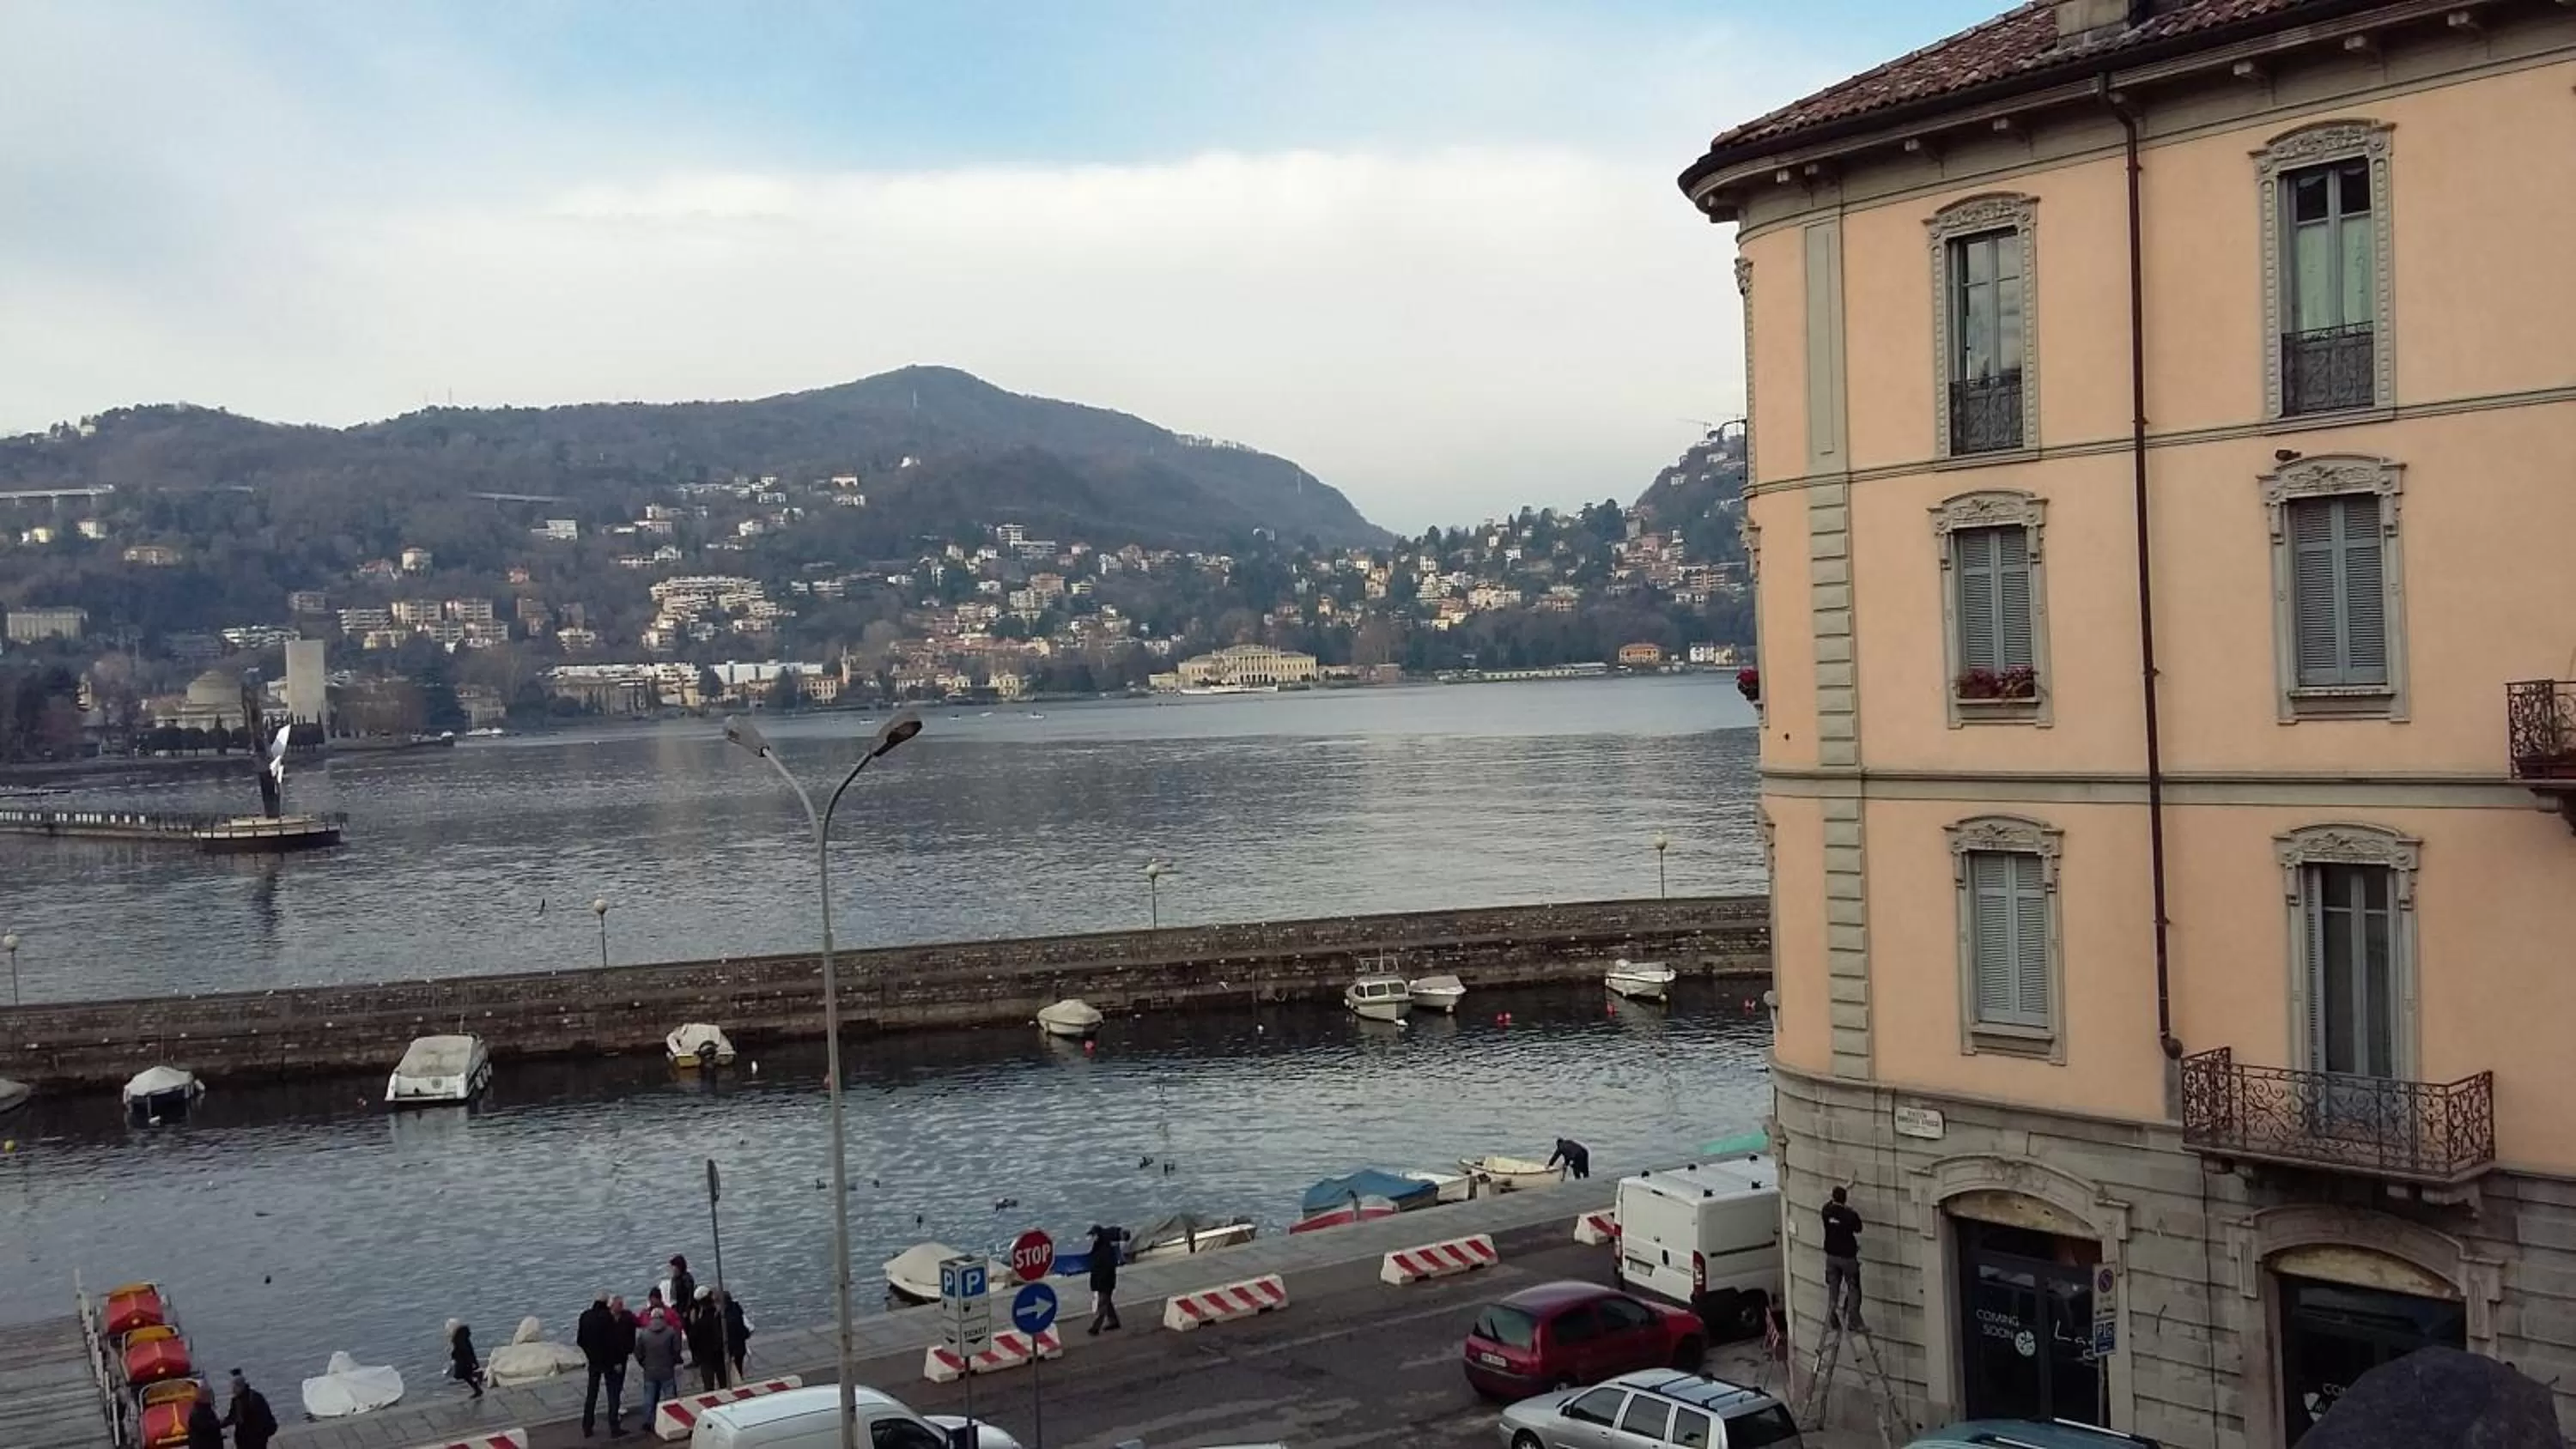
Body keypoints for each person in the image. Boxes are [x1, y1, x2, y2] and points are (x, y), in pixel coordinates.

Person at [578, 1292, 629, 1440]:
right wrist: (617, 1361)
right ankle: (614, 1426)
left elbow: (580, 1340)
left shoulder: (585, 1316)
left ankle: (587, 1426)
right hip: (609, 1361)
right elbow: (613, 1342)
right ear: (607, 1303)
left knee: (591, 1394)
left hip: (594, 1361)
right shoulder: (607, 1317)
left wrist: (590, 1354)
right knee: (613, 1393)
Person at [1821, 1185, 1865, 1331]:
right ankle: (1853, 1321)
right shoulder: (1849, 1215)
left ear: (1833, 1198)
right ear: (1845, 1199)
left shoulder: (1826, 1211)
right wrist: (1850, 1210)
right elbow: (1858, 1228)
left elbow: (1828, 1205)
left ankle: (1832, 1319)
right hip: (1847, 1258)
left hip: (1831, 1258)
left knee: (1833, 1289)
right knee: (1853, 1288)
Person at [634, 1302, 683, 1428]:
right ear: (663, 1317)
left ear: (651, 1318)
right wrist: (672, 1362)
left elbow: (638, 1352)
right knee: (669, 1396)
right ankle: (671, 1420)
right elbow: (676, 1350)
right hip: (667, 1369)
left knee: (649, 1397)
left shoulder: (644, 1334)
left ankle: (648, 1421)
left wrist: (643, 1363)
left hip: (650, 1370)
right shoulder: (670, 1332)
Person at [1085, 1222, 1127, 1335]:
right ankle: (1114, 1322)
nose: (1092, 1238)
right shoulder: (1100, 1247)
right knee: (1107, 1302)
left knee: (1102, 1304)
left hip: (1105, 1280)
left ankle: (1095, 1328)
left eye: (1093, 1235)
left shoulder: (1103, 1247)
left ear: (1097, 1234)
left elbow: (1102, 1267)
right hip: (1103, 1280)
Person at [221, 1368, 278, 1449]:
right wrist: (218, 1425)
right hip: (244, 1440)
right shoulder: (237, 1400)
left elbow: (263, 1418)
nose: (232, 1390)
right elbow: (232, 1417)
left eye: (234, 1387)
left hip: (256, 1439)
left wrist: (261, 1435)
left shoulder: (254, 1399)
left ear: (240, 1386)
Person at [683, 1288, 727, 1392]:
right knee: (724, 1383)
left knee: (708, 1385)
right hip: (719, 1354)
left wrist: (697, 1356)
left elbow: (692, 1340)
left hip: (705, 1357)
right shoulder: (719, 1318)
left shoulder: (699, 1323)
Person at [720, 1288, 753, 1382]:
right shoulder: (736, 1307)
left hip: (732, 1344)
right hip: (740, 1342)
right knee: (739, 1363)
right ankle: (740, 1376)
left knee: (733, 1365)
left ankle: (735, 1379)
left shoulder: (724, 1314)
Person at [447, 1319, 484, 1399]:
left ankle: (478, 1387)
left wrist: (455, 1355)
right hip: (465, 1358)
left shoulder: (458, 1337)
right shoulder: (462, 1335)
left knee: (465, 1374)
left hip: (463, 1359)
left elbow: (462, 1349)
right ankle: (477, 1388)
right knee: (466, 1374)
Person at [665, 1255, 697, 1332]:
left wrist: (686, 1311)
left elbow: (690, 1296)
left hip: (684, 1310)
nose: (672, 1269)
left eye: (674, 1267)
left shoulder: (687, 1279)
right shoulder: (675, 1279)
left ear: (679, 1267)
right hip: (678, 1309)